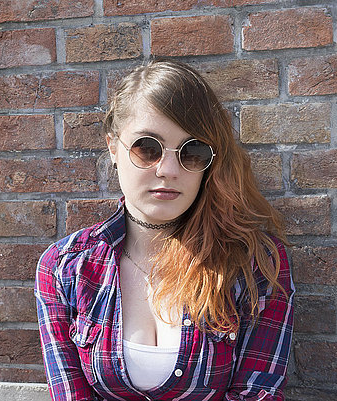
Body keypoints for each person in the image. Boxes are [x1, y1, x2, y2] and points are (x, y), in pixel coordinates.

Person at [34, 59, 294, 401]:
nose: (169, 169)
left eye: (193, 151)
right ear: (114, 147)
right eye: (147, 148)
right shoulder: (65, 269)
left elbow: (258, 393)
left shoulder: (254, 263)